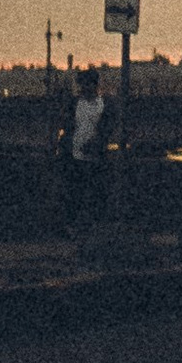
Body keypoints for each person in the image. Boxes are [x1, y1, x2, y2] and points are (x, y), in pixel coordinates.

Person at [61, 66, 109, 240]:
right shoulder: (75, 104)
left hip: (95, 157)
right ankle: (75, 227)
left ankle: (88, 228)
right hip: (74, 156)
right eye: (82, 85)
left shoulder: (104, 105)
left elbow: (106, 130)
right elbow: (67, 126)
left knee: (93, 194)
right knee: (75, 193)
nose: (84, 88)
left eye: (87, 84)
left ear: (94, 85)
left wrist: (97, 143)